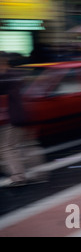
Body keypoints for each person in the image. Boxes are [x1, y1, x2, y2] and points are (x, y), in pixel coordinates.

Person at [0, 52, 47, 187]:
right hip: (27, 113)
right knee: (28, 145)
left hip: (14, 116)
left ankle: (18, 176)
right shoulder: (16, 74)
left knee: (6, 147)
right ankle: (40, 174)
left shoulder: (6, 77)